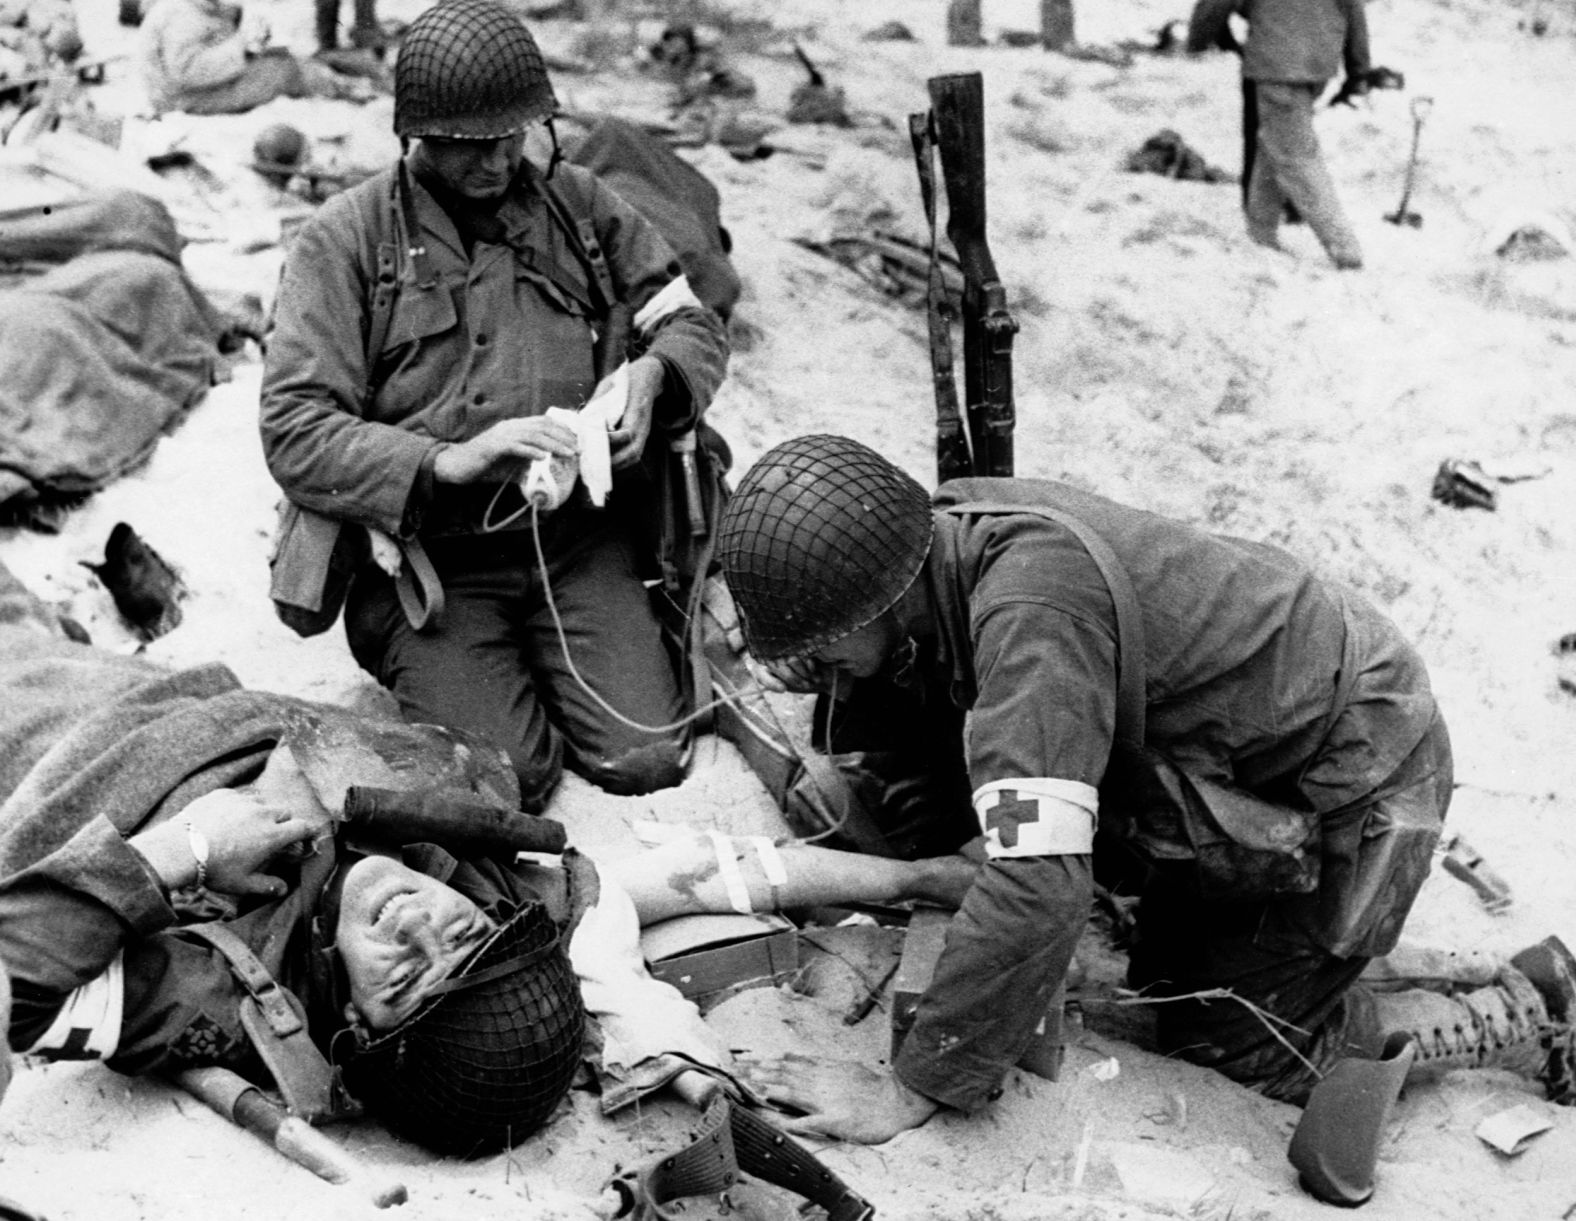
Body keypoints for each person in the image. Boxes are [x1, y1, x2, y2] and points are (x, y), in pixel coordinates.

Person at [715, 434, 1575, 1143]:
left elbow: (1040, 883)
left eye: (827, 650)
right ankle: (1394, 961)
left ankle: (1528, 1005)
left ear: (879, 602)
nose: (822, 672)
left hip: (1361, 773)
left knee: (1242, 1043)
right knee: (1168, 974)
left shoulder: (1031, 619)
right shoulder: (937, 533)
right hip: (1253, 759)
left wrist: (912, 1086)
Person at [0, 564, 973, 1156]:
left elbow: (15, 989)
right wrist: (908, 881)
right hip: (163, 703)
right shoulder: (490, 907)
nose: (421, 921)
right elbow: (696, 878)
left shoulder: (225, 999)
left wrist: (191, 847)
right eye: (458, 932)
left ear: (352, 1031)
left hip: (48, 757)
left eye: (406, 979)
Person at [260, 0, 730, 812]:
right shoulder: (345, 239)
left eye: (513, 136)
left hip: (577, 541)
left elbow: (687, 317)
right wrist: (445, 460)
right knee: (512, 776)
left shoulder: (578, 207)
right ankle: (449, 670)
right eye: (469, 145)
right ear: (417, 136)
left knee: (645, 759)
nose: (497, 160)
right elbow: (295, 426)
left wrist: (655, 381)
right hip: (432, 560)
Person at [1186, 0, 1371, 269]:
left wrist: (1197, 41)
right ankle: (1260, 231)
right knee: (1273, 143)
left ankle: (1344, 247)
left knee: (1294, 155)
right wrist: (1359, 71)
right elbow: (1353, 9)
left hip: (1277, 64)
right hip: (1319, 64)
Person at [138, 0, 372, 116]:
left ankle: (335, 82)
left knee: (282, 59)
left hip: (188, 90)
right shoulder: (181, 14)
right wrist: (245, 48)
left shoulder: (190, 6)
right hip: (181, 100)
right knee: (282, 70)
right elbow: (187, 72)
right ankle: (339, 87)